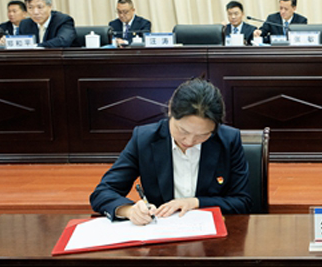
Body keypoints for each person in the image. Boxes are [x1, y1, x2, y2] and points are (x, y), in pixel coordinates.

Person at [90, 78, 252, 224]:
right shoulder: (145, 139)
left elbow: (242, 202)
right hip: (162, 233)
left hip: (213, 234)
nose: (189, 141)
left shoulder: (228, 141)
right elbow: (103, 192)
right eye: (183, 131)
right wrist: (129, 210)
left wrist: (195, 202)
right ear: (170, 111)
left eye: (202, 135)